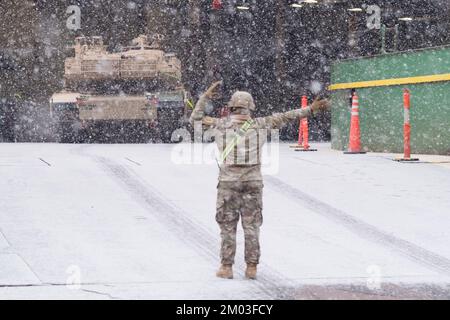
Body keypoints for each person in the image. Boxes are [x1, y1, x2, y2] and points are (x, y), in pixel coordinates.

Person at [190, 81, 330, 280]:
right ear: (251, 107)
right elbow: (289, 116)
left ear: (230, 107)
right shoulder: (261, 124)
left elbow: (195, 118)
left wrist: (205, 97)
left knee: (228, 226)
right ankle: (251, 267)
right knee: (252, 225)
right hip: (253, 182)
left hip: (228, 182)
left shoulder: (219, 124)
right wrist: (310, 109)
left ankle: (226, 267)